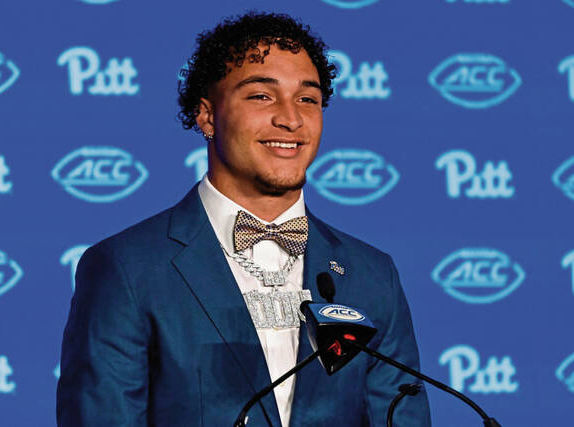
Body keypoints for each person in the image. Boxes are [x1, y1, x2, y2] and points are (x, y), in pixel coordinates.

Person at [57, 12, 431, 426]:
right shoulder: (126, 267)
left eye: (307, 99)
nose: (290, 119)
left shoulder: (372, 275)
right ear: (207, 116)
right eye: (261, 96)